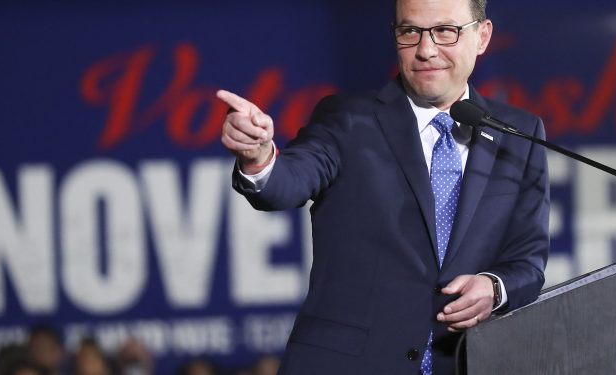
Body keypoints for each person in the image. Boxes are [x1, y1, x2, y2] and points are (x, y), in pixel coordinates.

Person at [217, 0, 549, 373]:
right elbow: (286, 183)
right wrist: (260, 155)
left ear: (482, 36)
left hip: (464, 362)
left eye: (445, 31)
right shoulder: (348, 119)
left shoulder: (519, 135)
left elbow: (527, 260)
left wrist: (494, 286)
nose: (425, 50)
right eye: (410, 32)